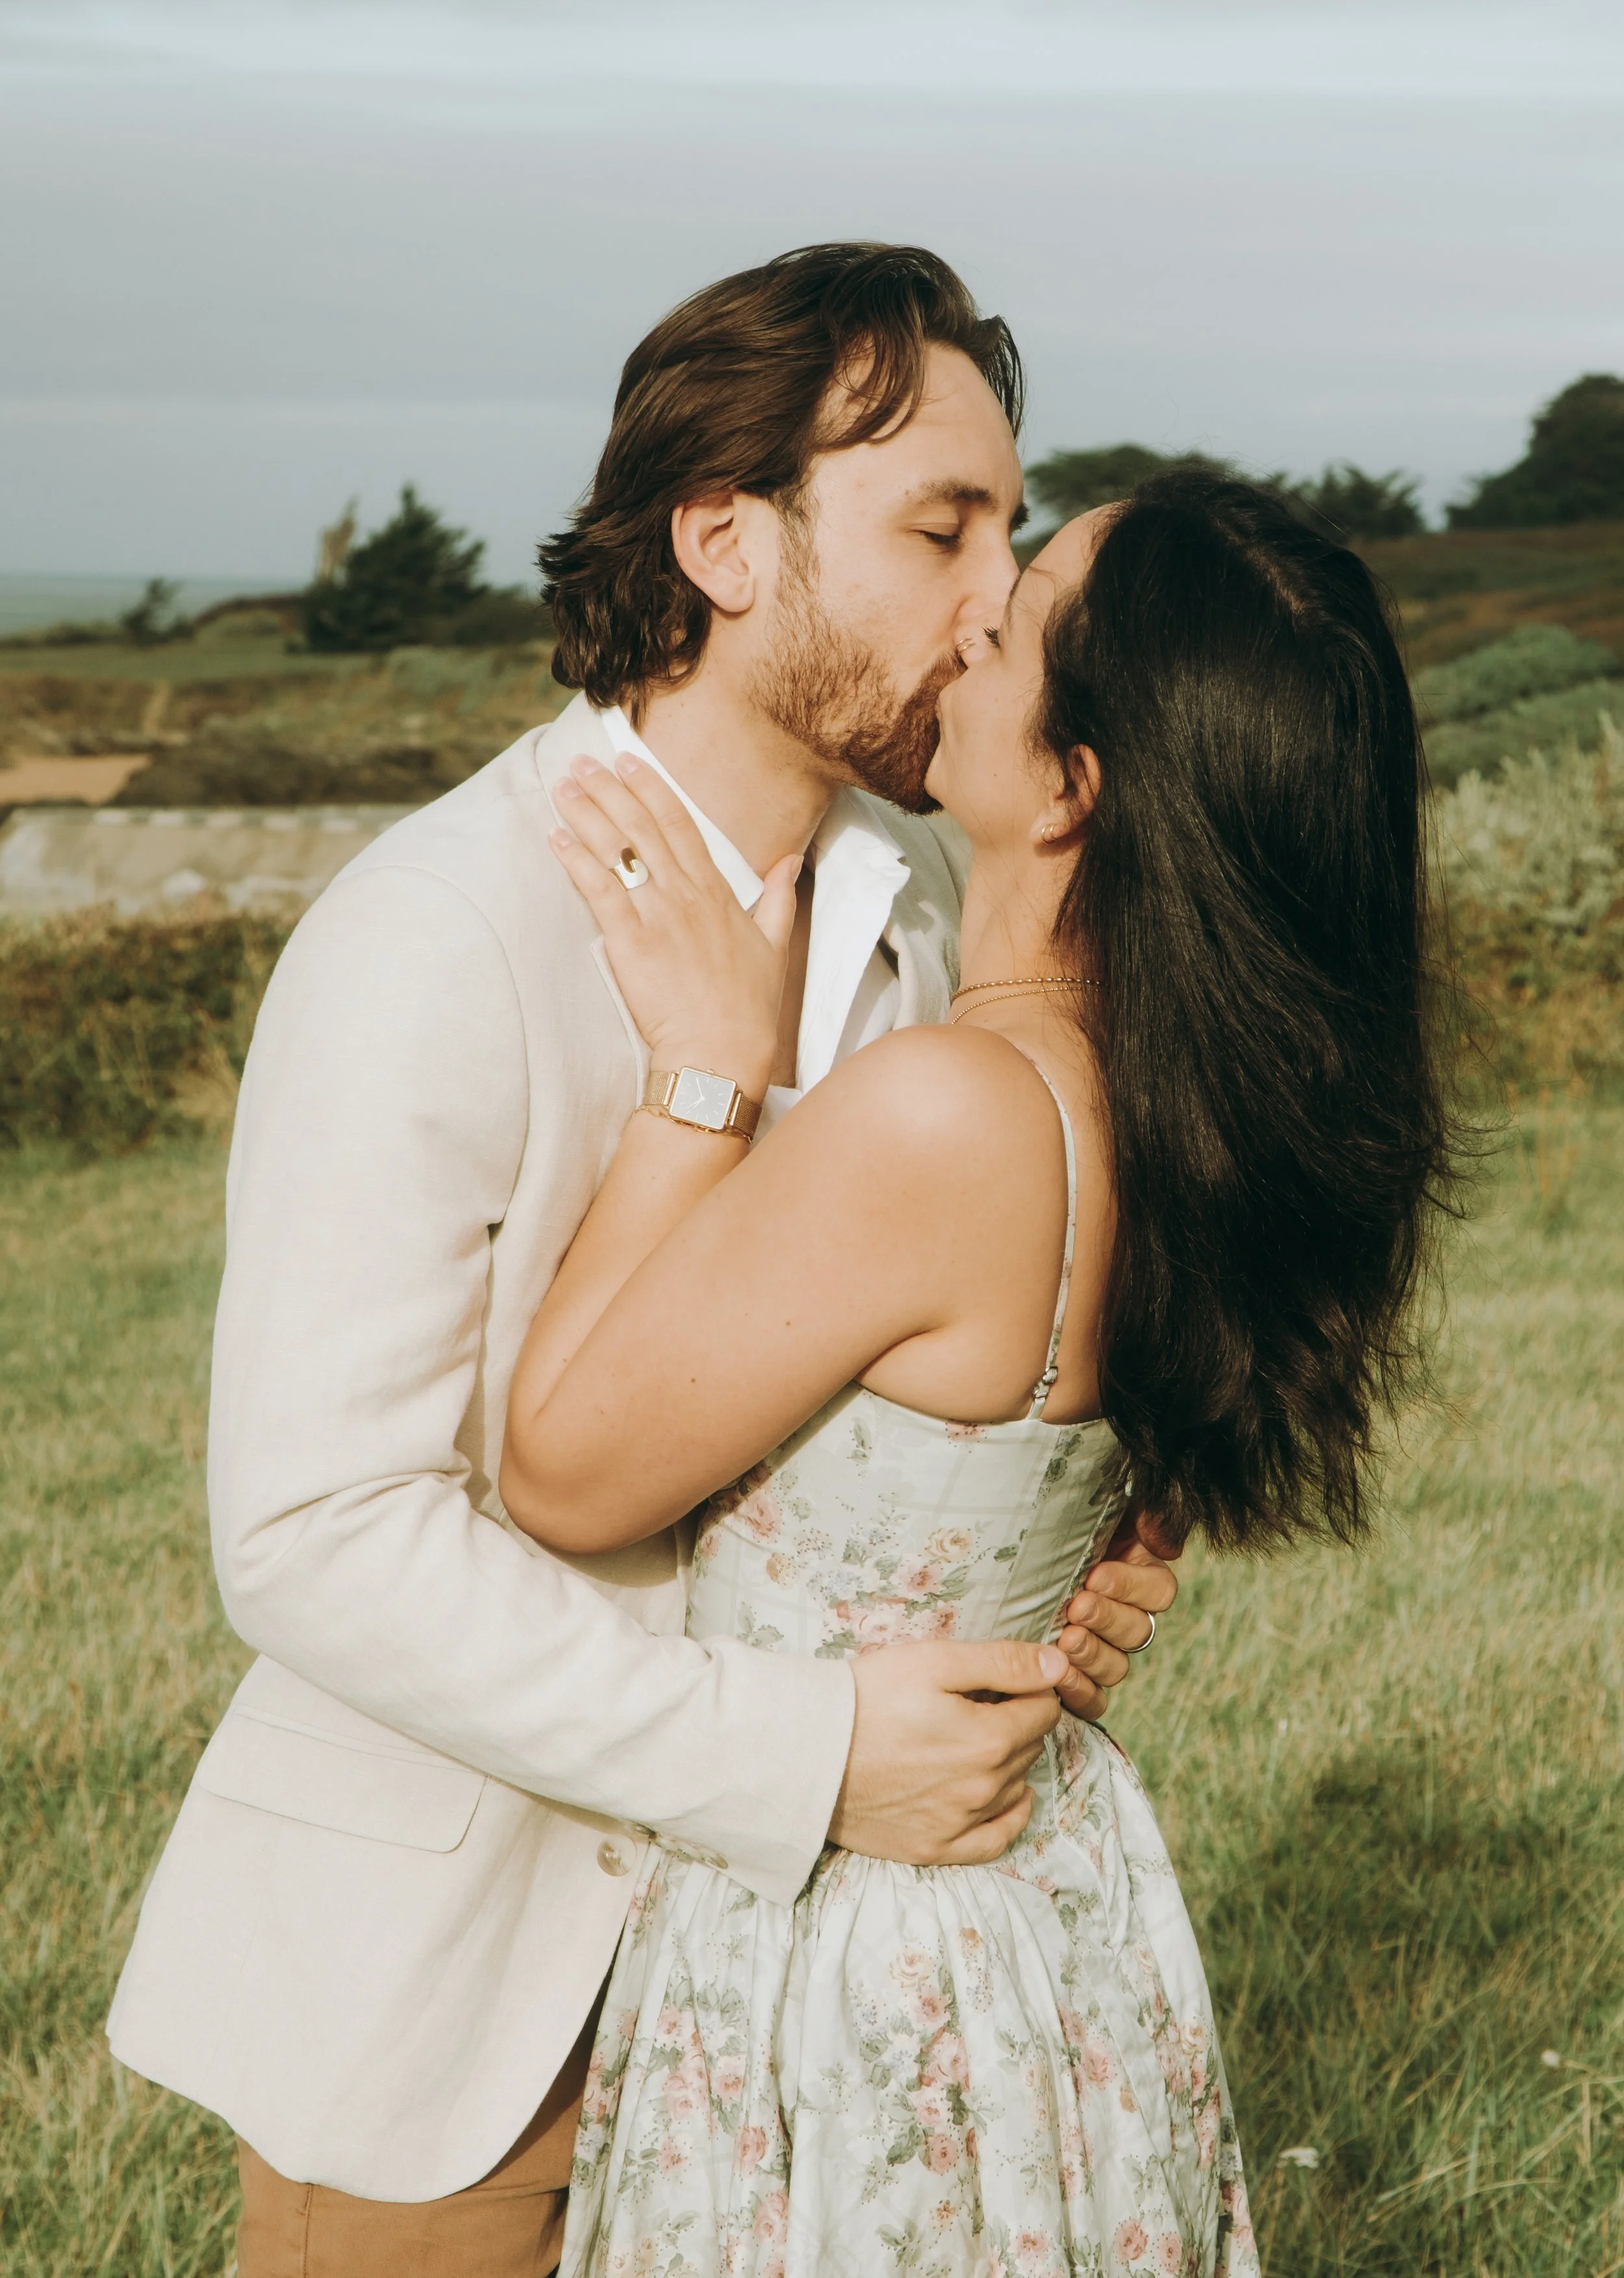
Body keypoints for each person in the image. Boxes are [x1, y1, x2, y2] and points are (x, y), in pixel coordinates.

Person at [105, 244, 1180, 2275]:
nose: (990, 596)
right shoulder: (434, 926)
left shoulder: (924, 930)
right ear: (726, 543)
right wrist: (808, 1752)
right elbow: (316, 1529)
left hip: (802, 2012)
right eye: (940, 524)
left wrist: (1044, 1565)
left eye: (1009, 534)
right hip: (464, 2010)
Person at [499, 460, 1453, 2277]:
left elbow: (559, 1466)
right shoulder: (1197, 1108)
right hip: (1050, 1902)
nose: (965, 611)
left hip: (864, 1925)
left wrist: (707, 1070)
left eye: (1005, 626)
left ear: (1070, 786)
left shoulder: (948, 1108)